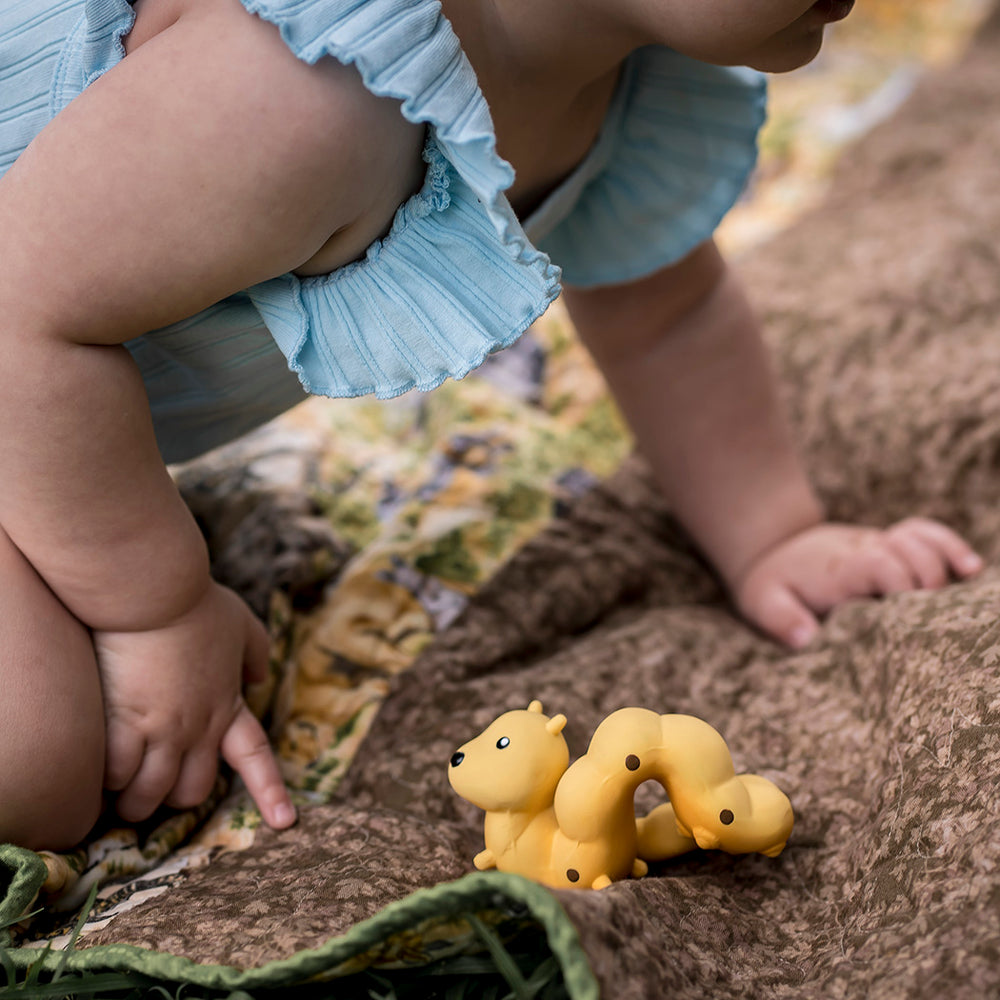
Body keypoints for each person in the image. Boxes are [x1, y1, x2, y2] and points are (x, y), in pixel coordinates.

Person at [0, 0, 982, 851]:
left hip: (34, 395)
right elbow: (16, 304)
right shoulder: (302, 91)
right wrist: (156, 607)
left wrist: (777, 532)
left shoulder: (622, 65)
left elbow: (662, 313)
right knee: (31, 760)